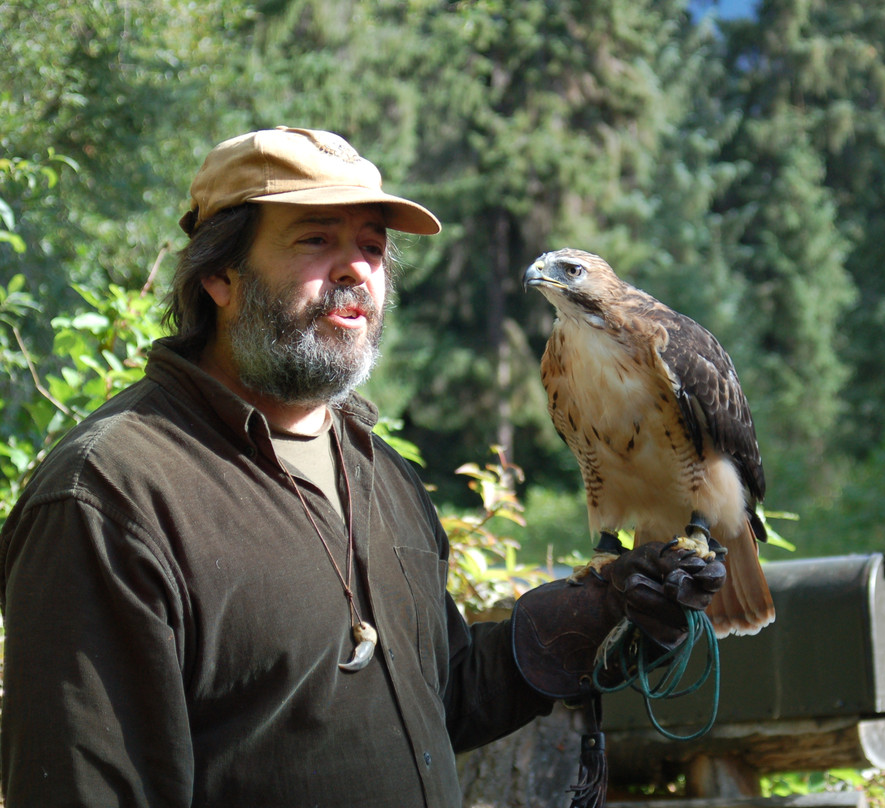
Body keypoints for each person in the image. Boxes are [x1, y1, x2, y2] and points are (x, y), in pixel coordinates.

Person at [0, 126, 724, 807]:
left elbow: (435, 699)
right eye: (316, 240)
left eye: (373, 248)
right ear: (219, 275)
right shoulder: (109, 496)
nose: (356, 269)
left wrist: (606, 616)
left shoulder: (382, 475)